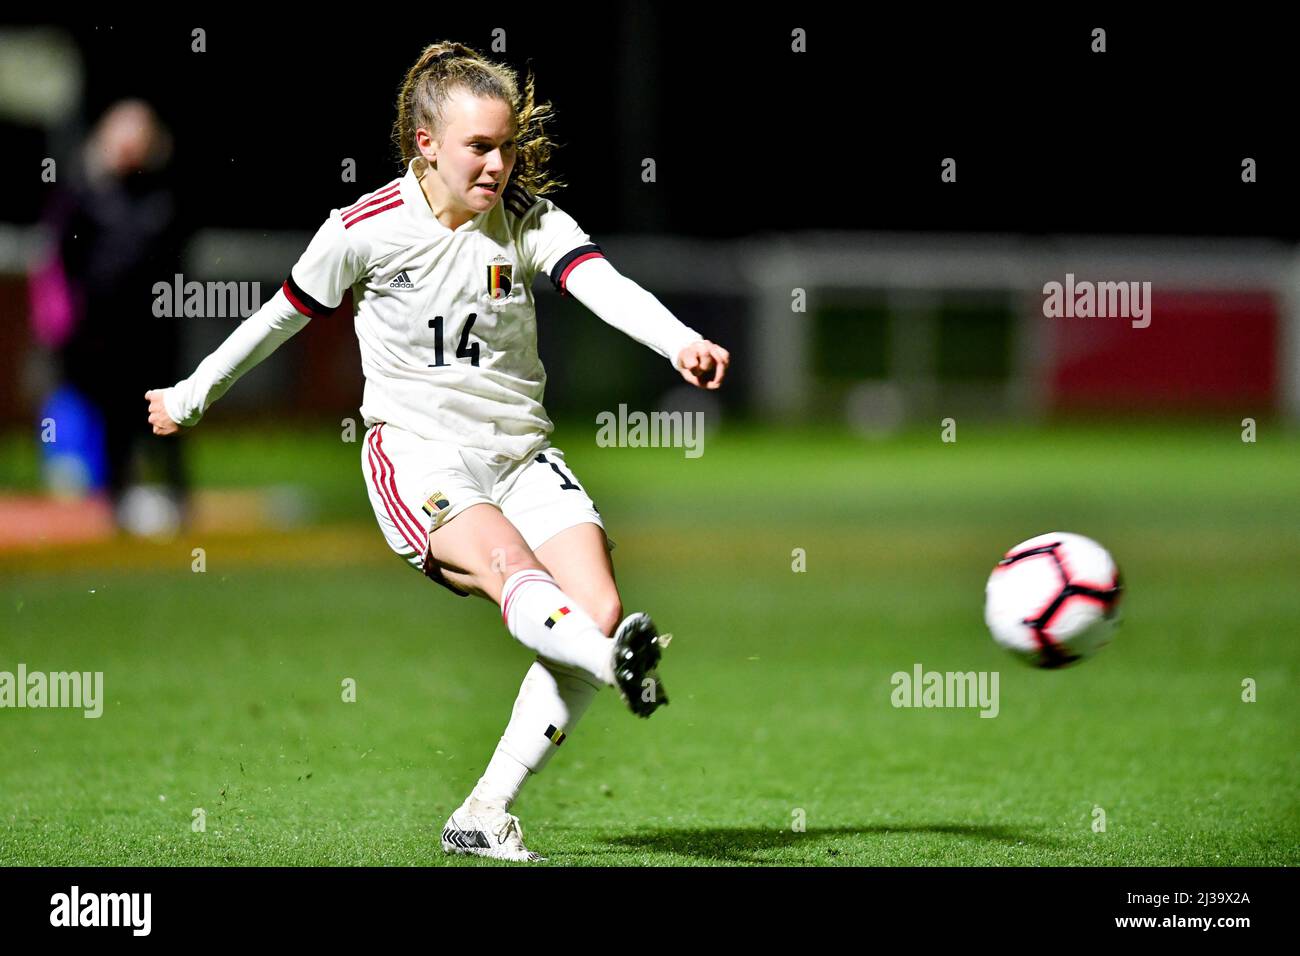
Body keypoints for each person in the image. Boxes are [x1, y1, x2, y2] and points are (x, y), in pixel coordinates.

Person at [144, 41, 730, 862]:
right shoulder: (363, 231)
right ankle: (611, 661)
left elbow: (603, 282)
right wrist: (191, 395)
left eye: (506, 146)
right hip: (419, 457)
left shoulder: (525, 220)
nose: (499, 163)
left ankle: (486, 810)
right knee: (510, 573)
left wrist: (678, 342)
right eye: (480, 147)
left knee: (595, 605)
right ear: (427, 144)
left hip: (521, 456)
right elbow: (278, 316)